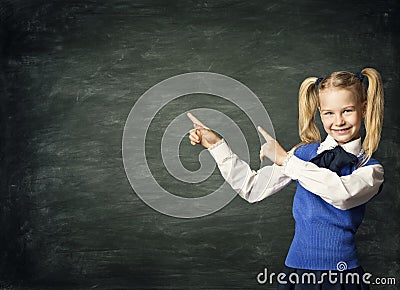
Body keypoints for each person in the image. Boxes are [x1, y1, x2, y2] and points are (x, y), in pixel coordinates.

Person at [187, 68, 385, 289]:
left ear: (364, 109)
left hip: (343, 276)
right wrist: (216, 145)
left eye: (347, 110)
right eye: (329, 113)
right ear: (320, 112)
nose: (338, 121)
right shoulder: (303, 155)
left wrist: (286, 161)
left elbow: (341, 194)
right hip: (296, 273)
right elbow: (251, 188)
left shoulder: (370, 170)